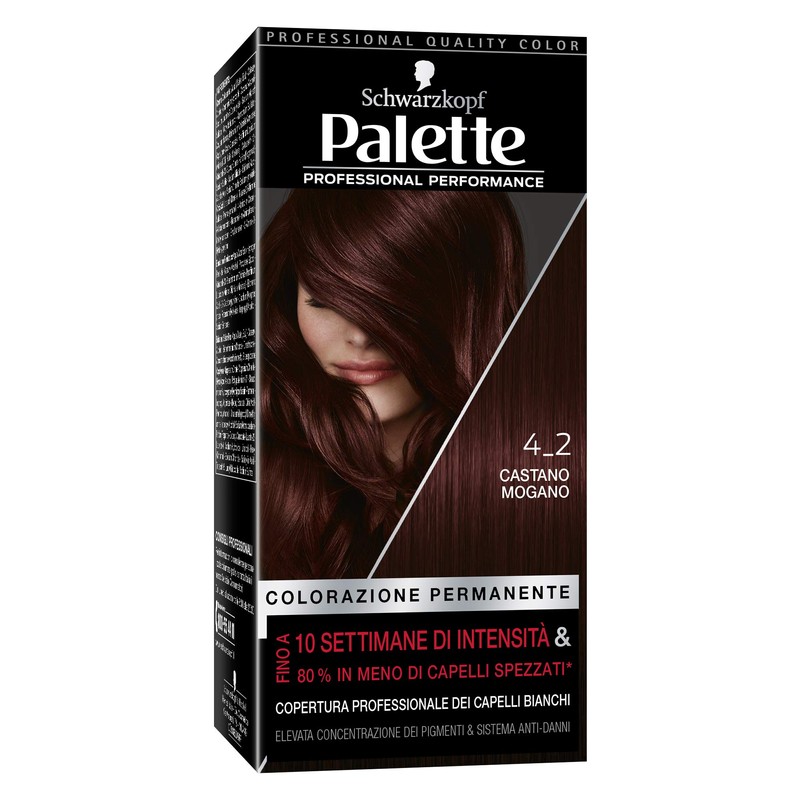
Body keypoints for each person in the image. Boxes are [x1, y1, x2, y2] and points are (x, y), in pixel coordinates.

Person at [259, 189, 525, 578]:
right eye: (325, 301)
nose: (361, 336)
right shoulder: (253, 490)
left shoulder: (531, 490)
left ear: (474, 305)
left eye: (395, 302)